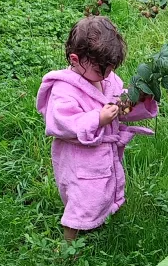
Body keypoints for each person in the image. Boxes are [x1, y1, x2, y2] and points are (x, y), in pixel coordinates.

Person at [36, 16, 159, 241]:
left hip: (103, 155)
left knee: (102, 191)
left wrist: (137, 100)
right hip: (79, 161)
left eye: (111, 69)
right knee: (81, 200)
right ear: (75, 59)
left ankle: (101, 217)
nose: (106, 75)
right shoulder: (64, 89)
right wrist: (97, 119)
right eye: (101, 70)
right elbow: (60, 122)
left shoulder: (108, 79)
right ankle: (69, 241)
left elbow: (122, 108)